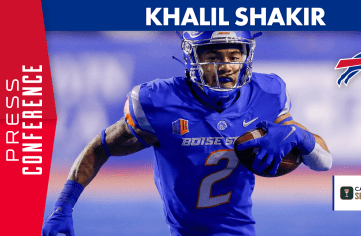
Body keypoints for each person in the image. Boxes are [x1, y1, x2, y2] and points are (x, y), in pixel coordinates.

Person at [42, 31, 332, 236]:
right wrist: (63, 207)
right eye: (213, 57)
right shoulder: (158, 101)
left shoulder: (267, 93)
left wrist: (299, 136)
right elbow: (102, 145)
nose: (227, 67)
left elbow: (324, 162)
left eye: (234, 55)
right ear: (192, 58)